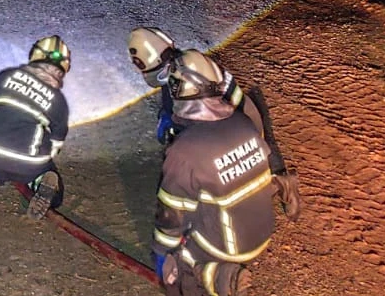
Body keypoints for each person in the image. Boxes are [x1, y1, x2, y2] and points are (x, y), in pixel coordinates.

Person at [128, 26, 300, 220]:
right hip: (242, 119)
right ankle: (277, 180)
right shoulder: (189, 64)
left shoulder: (183, 79)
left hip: (238, 127)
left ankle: (278, 183)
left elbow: (199, 129)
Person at [152, 49, 277, 296]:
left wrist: (164, 255)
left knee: (178, 258)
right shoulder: (242, 122)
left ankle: (221, 277)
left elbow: (171, 216)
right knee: (212, 194)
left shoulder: (186, 150)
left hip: (231, 247)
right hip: (264, 230)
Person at [0, 35, 71, 221]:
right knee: (50, 181)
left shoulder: (5, 76)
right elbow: (56, 143)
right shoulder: (58, 101)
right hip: (28, 163)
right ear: (63, 68)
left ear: (35, 55)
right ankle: (42, 182)